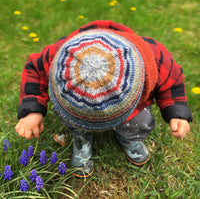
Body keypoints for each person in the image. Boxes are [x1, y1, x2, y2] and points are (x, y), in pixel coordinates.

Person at [15, 20, 192, 178]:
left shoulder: (153, 59)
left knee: (141, 120)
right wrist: (32, 110)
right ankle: (80, 134)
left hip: (135, 107)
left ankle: (129, 136)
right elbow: (35, 70)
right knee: (67, 115)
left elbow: (173, 81)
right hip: (73, 106)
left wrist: (176, 112)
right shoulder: (61, 54)